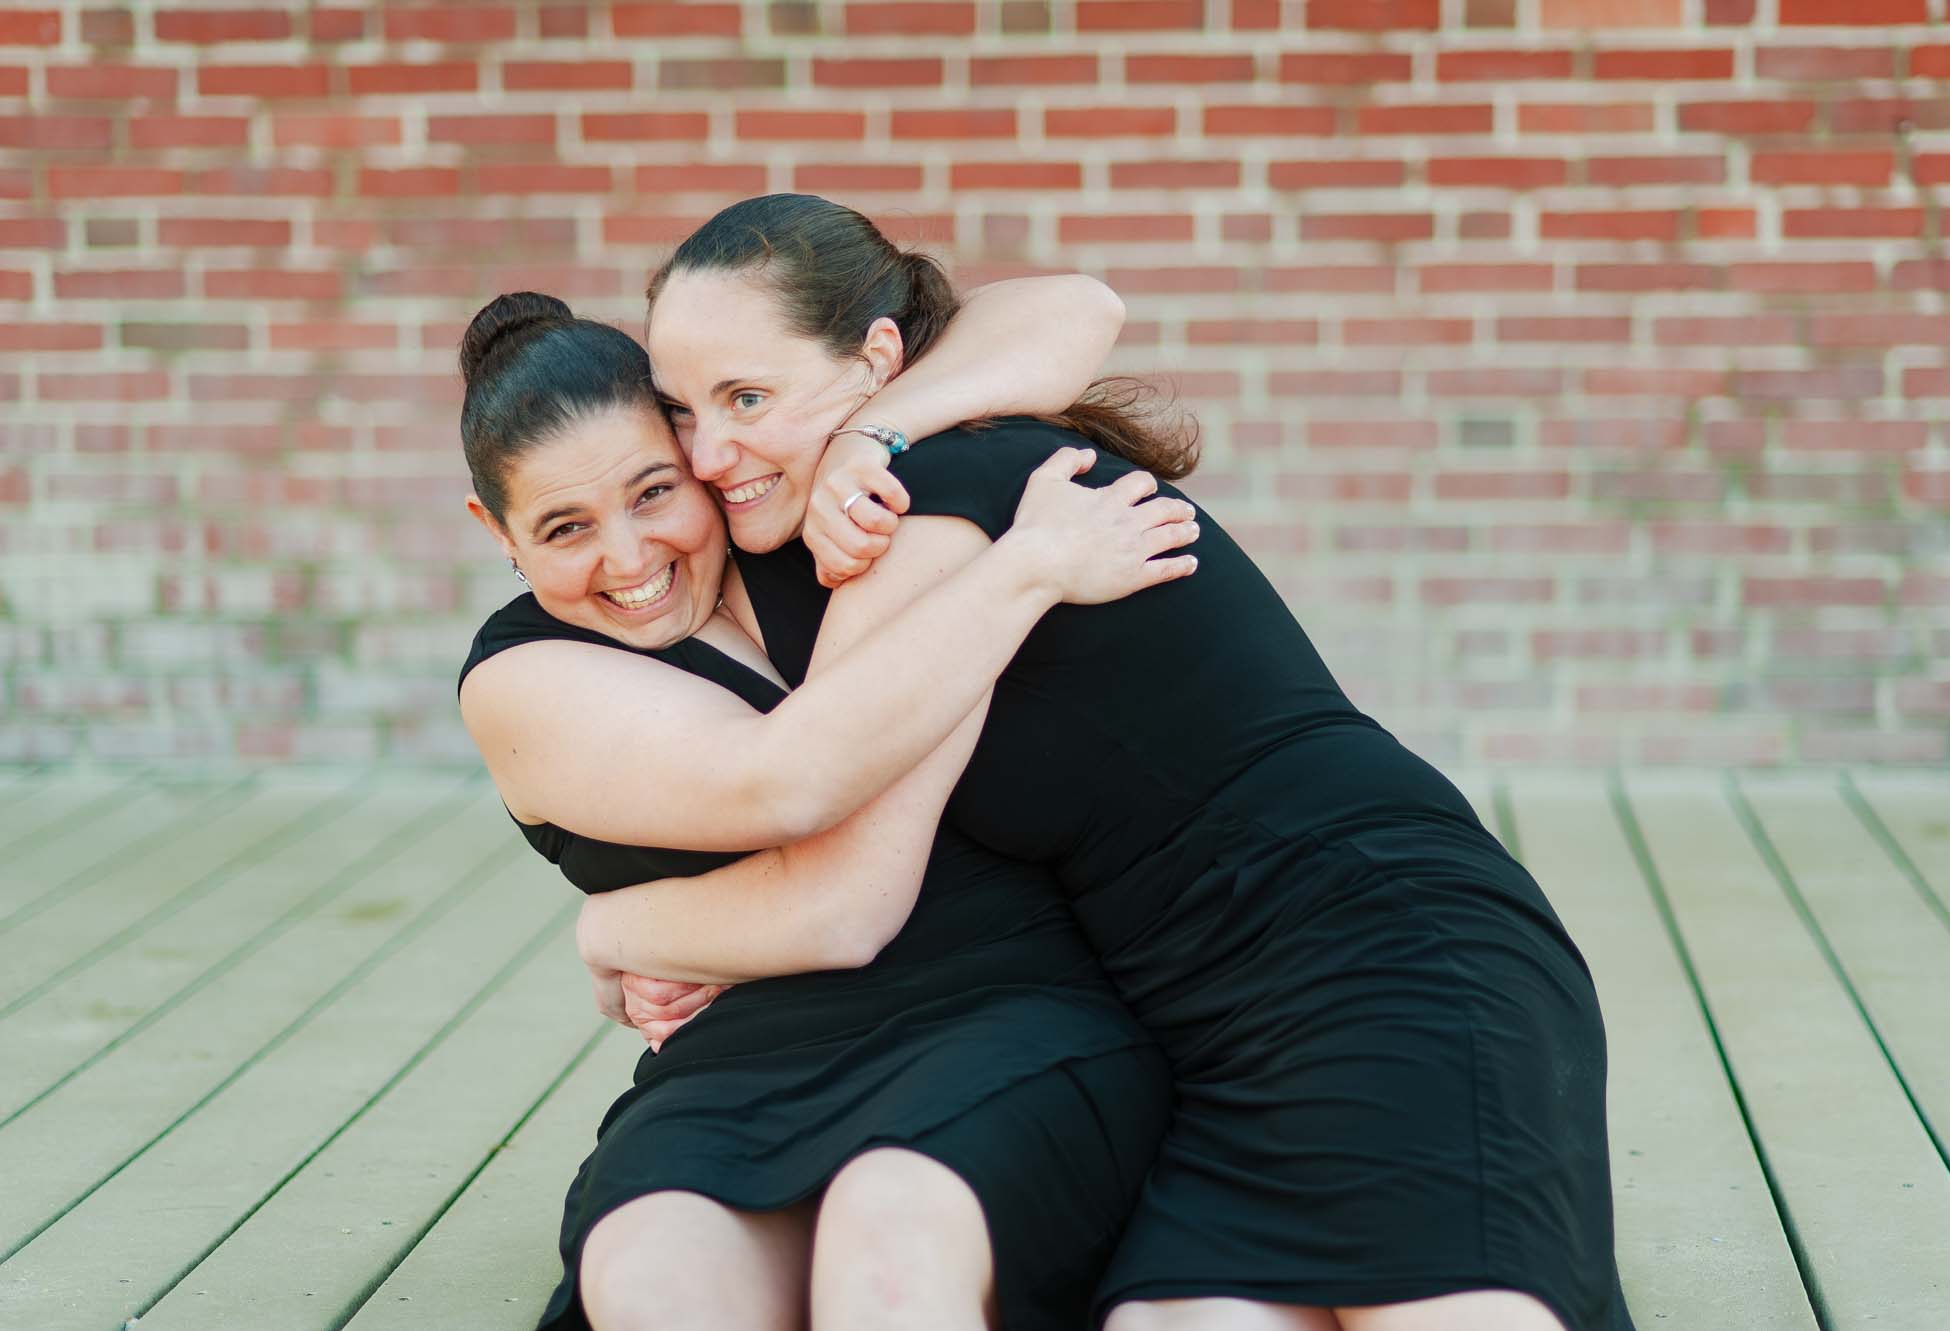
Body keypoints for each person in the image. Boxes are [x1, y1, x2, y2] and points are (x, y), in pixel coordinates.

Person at [613, 193, 1637, 1331]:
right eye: (679, 411)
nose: (707, 452)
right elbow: (1053, 308)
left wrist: (617, 931)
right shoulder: (878, 483)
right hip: (1195, 1028)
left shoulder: (925, 499)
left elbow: (843, 886)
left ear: (878, 358)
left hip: (1370, 945)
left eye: (745, 396)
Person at [456, 282, 1198, 1330]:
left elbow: (1070, 307)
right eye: (565, 525)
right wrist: (1024, 568)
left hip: (1001, 1007)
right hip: (744, 1058)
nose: (627, 559)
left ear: (698, 453)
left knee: (890, 1259)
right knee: (651, 1274)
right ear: (496, 529)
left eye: (653, 491)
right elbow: (789, 779)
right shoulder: (523, 676)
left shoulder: (815, 530)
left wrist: (863, 434)